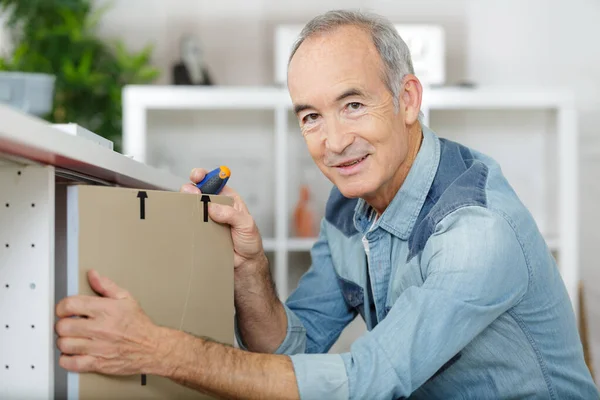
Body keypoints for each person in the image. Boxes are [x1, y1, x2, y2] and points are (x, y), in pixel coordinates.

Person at [54, 9, 599, 400]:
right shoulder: (350, 208)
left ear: (407, 100)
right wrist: (249, 266)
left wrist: (156, 349)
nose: (334, 142)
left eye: (353, 104)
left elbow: (365, 380)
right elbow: (294, 346)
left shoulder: (474, 231)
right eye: (311, 116)